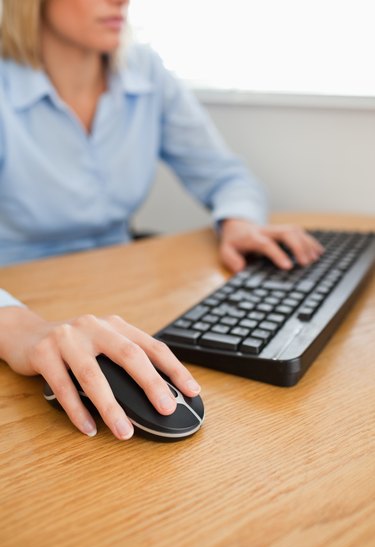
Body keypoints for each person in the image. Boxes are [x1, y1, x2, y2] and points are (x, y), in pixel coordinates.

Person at [0, 0, 323, 441]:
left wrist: (238, 221)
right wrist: (21, 328)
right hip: (19, 294)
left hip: (125, 293)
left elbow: (225, 175)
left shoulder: (145, 70)